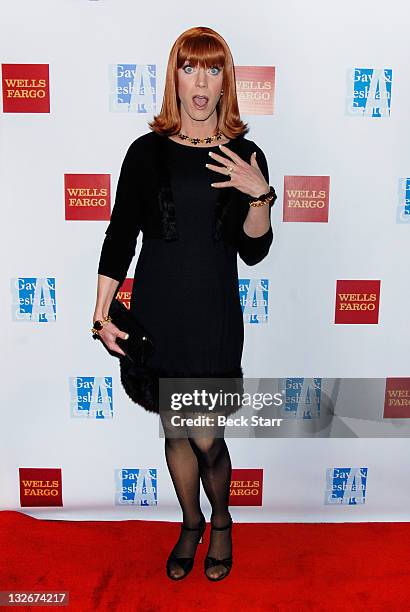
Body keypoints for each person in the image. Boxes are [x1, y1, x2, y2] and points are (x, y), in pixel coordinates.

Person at [92, 26, 276, 582]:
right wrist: (101, 314)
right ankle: (190, 522)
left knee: (205, 435)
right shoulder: (146, 152)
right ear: (174, 77)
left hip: (213, 317)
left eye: (214, 69)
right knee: (176, 433)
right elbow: (121, 233)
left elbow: (256, 249)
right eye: (191, 67)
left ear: (227, 83)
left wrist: (258, 193)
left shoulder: (245, 154)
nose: (201, 80)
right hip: (159, 313)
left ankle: (221, 520)